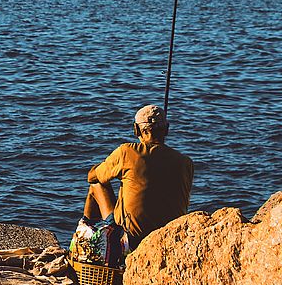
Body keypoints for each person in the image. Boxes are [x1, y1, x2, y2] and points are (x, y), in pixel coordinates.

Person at [70, 104, 194, 266]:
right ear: (167, 129)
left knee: (96, 185)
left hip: (129, 239)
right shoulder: (185, 162)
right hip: (168, 238)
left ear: (136, 130)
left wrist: (106, 168)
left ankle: (82, 241)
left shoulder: (127, 152)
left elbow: (92, 176)